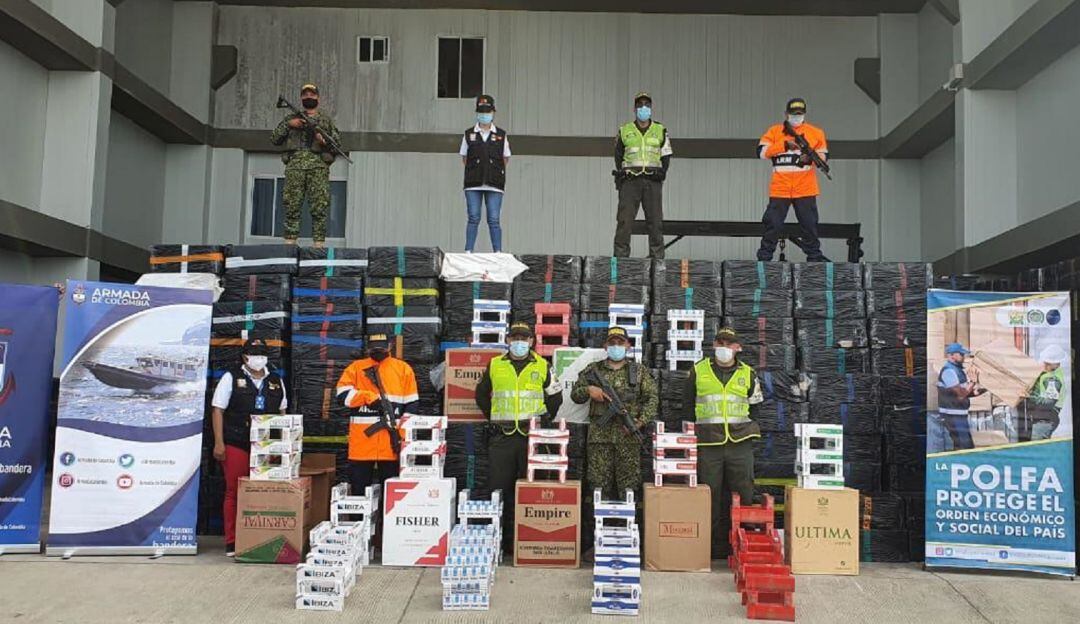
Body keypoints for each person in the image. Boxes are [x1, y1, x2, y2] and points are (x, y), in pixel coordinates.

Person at [474, 322, 562, 553]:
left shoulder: (543, 365)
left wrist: (543, 420)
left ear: (532, 341)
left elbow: (555, 397)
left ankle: (524, 542)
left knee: (530, 489)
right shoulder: (495, 364)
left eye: (524, 338)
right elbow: (482, 394)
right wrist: (494, 417)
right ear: (508, 340)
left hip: (531, 437)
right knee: (498, 490)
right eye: (515, 338)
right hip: (501, 438)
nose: (519, 342)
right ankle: (498, 543)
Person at [681, 328, 764, 559]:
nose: (725, 347)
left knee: (744, 493)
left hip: (740, 443)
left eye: (730, 343)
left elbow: (756, 406)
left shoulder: (748, 373)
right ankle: (710, 548)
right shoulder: (698, 371)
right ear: (714, 344)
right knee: (709, 496)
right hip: (708, 444)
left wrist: (748, 428)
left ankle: (742, 546)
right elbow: (687, 406)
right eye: (721, 342)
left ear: (738, 348)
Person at [210, 338, 287, 557]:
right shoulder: (231, 377)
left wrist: (282, 445)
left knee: (264, 490)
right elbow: (217, 410)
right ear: (245, 356)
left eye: (262, 353)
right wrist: (219, 442)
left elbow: (282, 411)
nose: (258, 358)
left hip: (266, 445)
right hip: (236, 441)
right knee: (235, 490)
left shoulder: (275, 380)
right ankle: (232, 541)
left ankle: (260, 536)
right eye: (254, 354)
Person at [571, 327, 658, 500]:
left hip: (628, 438)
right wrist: (589, 390)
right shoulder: (593, 370)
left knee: (629, 486)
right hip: (599, 438)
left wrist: (640, 422)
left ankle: (626, 523)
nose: (616, 346)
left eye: (620, 342)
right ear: (605, 346)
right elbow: (575, 395)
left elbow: (652, 399)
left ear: (628, 346)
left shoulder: (639, 372)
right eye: (612, 343)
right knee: (598, 485)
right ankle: (598, 524)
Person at [335, 334, 418, 494]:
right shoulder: (356, 368)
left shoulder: (403, 369)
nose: (378, 351)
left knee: (392, 494)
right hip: (362, 443)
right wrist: (367, 397)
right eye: (374, 348)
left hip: (391, 442)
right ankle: (361, 519)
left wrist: (401, 434)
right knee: (359, 492)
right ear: (367, 348)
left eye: (381, 347)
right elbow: (341, 395)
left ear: (390, 346)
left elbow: (412, 404)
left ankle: (384, 519)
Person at [756, 98, 829, 262]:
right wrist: (785, 145)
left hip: (805, 188)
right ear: (786, 114)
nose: (796, 117)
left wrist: (809, 158)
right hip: (780, 189)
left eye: (799, 114)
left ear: (804, 114)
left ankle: (814, 258)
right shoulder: (774, 132)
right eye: (793, 114)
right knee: (772, 224)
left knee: (809, 225)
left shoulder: (816, 132)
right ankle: (764, 258)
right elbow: (761, 152)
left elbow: (824, 156)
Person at [270, 83, 342, 247]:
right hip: (295, 167)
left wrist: (323, 142)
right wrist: (289, 125)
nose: (309, 97)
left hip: (318, 168)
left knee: (319, 208)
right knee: (291, 206)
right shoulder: (291, 119)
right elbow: (275, 139)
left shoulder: (325, 120)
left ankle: (318, 247)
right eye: (305, 94)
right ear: (301, 98)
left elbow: (337, 144)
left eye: (312, 94)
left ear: (318, 97)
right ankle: (289, 245)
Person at [612, 92, 673, 259]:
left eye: (646, 105)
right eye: (640, 105)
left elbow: (666, 154)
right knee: (624, 222)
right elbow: (618, 156)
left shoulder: (660, 130)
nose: (643, 108)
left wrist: (662, 173)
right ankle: (621, 262)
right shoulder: (625, 130)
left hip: (653, 182)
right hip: (631, 181)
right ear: (634, 109)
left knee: (655, 223)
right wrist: (622, 175)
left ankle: (657, 263)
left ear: (651, 109)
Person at [460, 94, 510, 253]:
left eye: (487, 111)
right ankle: (468, 250)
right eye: (481, 111)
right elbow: (464, 157)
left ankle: (498, 252)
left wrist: (493, 171)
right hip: (473, 184)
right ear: (477, 112)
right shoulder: (468, 134)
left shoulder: (501, 135)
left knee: (494, 219)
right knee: (473, 217)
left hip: (494, 184)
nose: (484, 115)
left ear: (493, 112)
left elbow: (505, 158)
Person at [936, 342, 986, 450]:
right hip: (952, 416)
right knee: (964, 447)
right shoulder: (949, 371)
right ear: (952, 355)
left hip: (959, 415)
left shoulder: (958, 370)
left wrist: (981, 390)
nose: (964, 357)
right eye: (961, 354)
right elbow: (961, 395)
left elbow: (965, 392)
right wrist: (973, 381)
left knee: (963, 446)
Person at [1023, 345, 1069, 441]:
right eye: (1045, 362)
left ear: (1056, 364)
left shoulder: (1053, 380)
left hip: (1045, 421)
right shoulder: (1047, 373)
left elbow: (1048, 403)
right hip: (1041, 418)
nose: (1044, 365)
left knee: (1036, 449)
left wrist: (1030, 396)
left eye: (1048, 363)